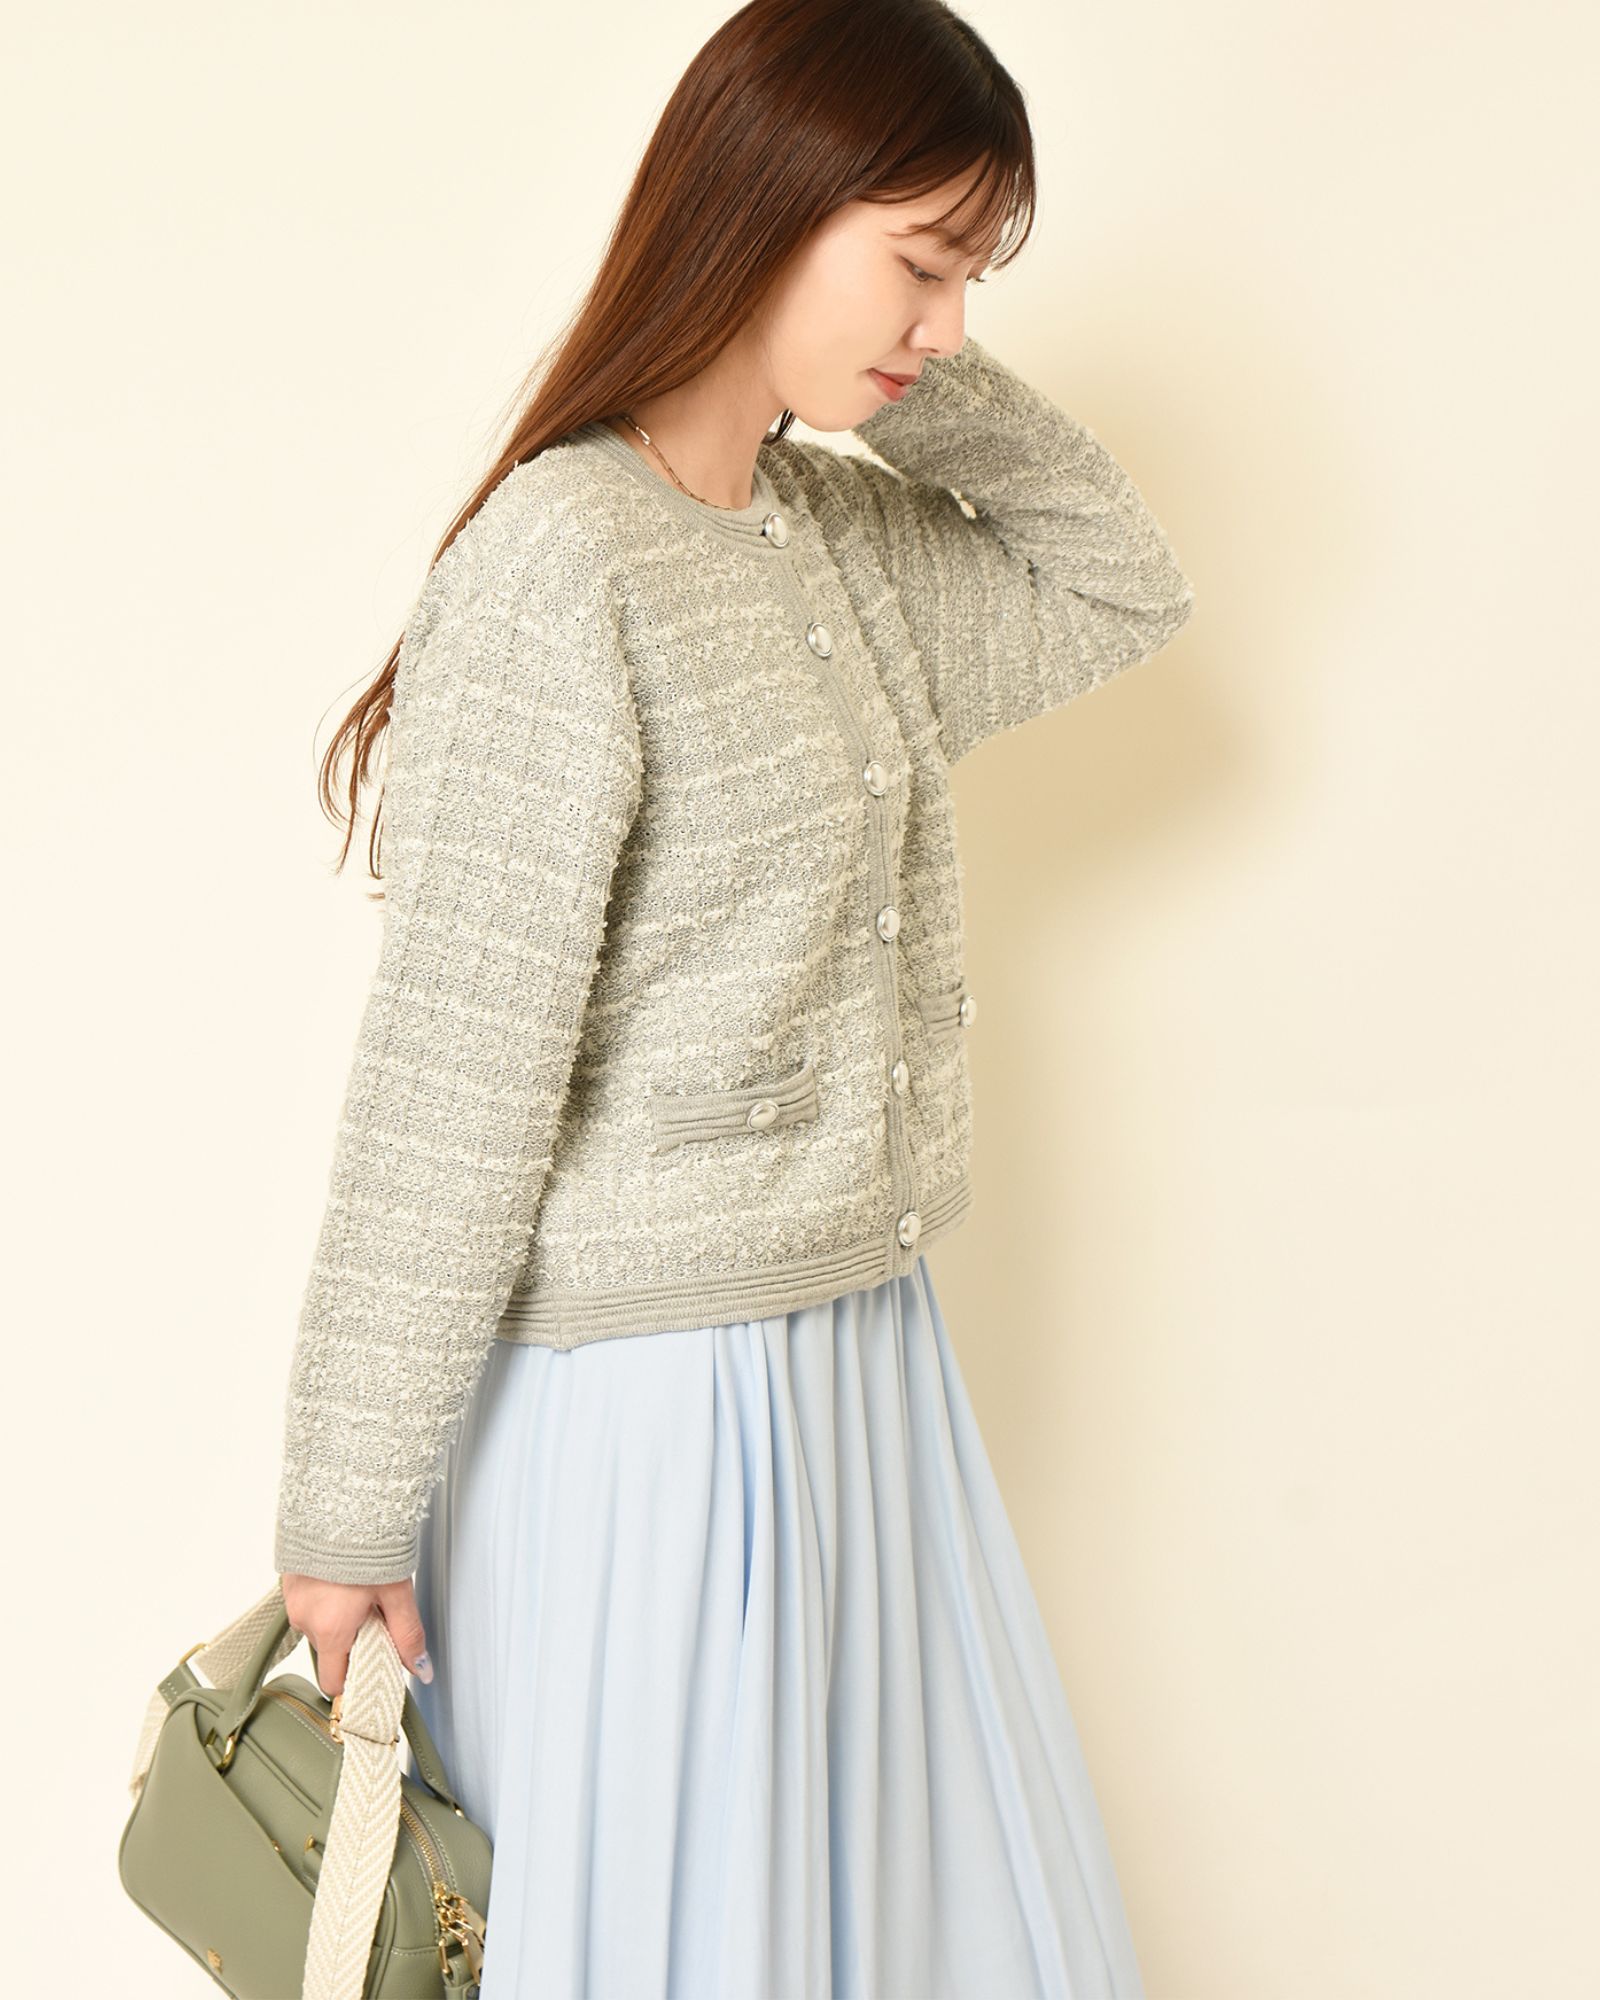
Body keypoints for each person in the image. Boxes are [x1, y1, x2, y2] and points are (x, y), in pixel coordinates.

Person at [274, 0, 1195, 1992]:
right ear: (764, 204)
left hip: (857, 1354)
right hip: (654, 1401)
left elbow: (1114, 584)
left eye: (972, 276)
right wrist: (344, 1513)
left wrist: (889, 376)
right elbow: (453, 1079)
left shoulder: (832, 538)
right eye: (920, 262)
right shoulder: (560, 565)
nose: (948, 323)